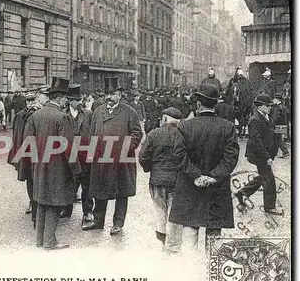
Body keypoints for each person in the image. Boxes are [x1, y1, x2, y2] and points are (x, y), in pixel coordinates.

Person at [169, 84, 239, 253]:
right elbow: (231, 158)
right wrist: (213, 176)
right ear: (216, 104)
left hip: (190, 187)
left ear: (199, 104)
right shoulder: (228, 127)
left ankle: (189, 273)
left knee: (190, 232)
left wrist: (196, 176)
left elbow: (179, 156)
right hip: (217, 188)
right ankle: (209, 274)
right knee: (214, 235)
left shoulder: (185, 126)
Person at [24, 77, 82, 250]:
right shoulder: (62, 117)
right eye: (65, 98)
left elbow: (28, 143)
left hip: (39, 166)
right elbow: (68, 148)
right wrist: (76, 170)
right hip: (58, 168)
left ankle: (40, 240)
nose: (66, 101)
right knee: (56, 204)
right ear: (60, 97)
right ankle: (50, 241)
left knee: (41, 202)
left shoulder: (36, 115)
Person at [82, 77, 143, 235]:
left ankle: (118, 223)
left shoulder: (130, 112)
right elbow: (92, 134)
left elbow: (137, 134)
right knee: (99, 191)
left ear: (120, 95)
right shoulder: (98, 111)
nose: (109, 97)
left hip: (121, 160)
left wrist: (124, 148)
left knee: (121, 193)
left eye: (112, 94)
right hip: (101, 159)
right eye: (106, 94)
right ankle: (98, 220)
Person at [139, 107, 184, 253]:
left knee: (160, 210)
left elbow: (143, 156)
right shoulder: (183, 135)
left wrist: (149, 168)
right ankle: (173, 246)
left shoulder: (154, 134)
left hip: (157, 180)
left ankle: (162, 238)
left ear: (164, 119)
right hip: (177, 180)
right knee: (174, 212)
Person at [234, 94, 284, 216]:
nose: (270, 108)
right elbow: (257, 142)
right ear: (260, 107)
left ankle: (242, 192)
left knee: (263, 177)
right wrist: (266, 157)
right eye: (267, 106)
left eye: (270, 106)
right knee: (269, 179)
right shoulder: (255, 120)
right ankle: (269, 207)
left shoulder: (265, 116)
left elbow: (273, 130)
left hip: (264, 153)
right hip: (259, 155)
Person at [60, 84, 94, 225]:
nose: (79, 102)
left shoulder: (88, 114)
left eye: (80, 99)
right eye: (76, 99)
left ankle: (87, 212)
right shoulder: (62, 115)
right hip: (68, 156)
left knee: (87, 186)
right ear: (69, 100)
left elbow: (93, 135)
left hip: (85, 156)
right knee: (68, 184)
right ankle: (67, 209)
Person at [8, 91, 42, 225]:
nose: (31, 103)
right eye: (29, 101)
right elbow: (16, 137)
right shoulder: (20, 116)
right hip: (27, 153)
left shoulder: (39, 114)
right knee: (30, 180)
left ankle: (36, 206)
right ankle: (33, 205)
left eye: (33, 100)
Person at [272, 93, 289, 159]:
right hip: (283, 124)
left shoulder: (277, 107)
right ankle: (275, 152)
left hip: (278, 125)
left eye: (274, 98)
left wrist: (272, 124)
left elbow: (276, 117)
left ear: (277, 99)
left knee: (278, 139)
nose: (273, 100)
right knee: (277, 138)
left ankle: (285, 152)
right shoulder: (283, 106)